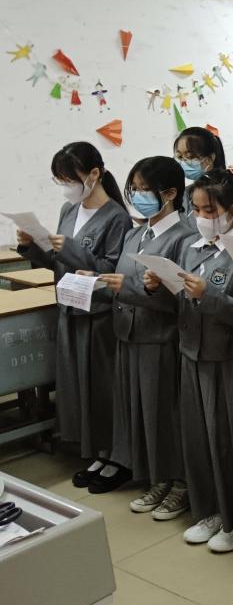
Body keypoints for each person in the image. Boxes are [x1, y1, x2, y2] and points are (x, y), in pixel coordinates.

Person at [16, 142, 133, 491]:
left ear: (94, 174)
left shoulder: (116, 217)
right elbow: (58, 263)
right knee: (78, 387)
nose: (66, 186)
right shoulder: (69, 210)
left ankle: (117, 457)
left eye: (70, 179)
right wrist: (31, 246)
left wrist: (67, 248)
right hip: (69, 308)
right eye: (60, 180)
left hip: (98, 316)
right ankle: (98, 451)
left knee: (103, 387)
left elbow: (110, 270)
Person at [100, 157, 195, 518]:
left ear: (169, 193)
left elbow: (178, 299)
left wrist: (128, 288)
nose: (138, 196)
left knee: (166, 414)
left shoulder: (184, 238)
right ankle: (158, 476)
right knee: (141, 413)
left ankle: (180, 482)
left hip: (161, 338)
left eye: (145, 189)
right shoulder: (135, 233)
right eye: (134, 189)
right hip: (129, 334)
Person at [175, 169, 233, 551]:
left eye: (209, 210)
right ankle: (210, 509)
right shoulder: (191, 248)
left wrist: (207, 296)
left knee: (232, 442)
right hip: (193, 354)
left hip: (231, 359)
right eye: (195, 210)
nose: (201, 217)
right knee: (199, 440)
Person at [173, 127, 233, 228]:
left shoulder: (227, 189)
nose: (183, 163)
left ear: (210, 158)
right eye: (180, 157)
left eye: (190, 157)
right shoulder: (185, 193)